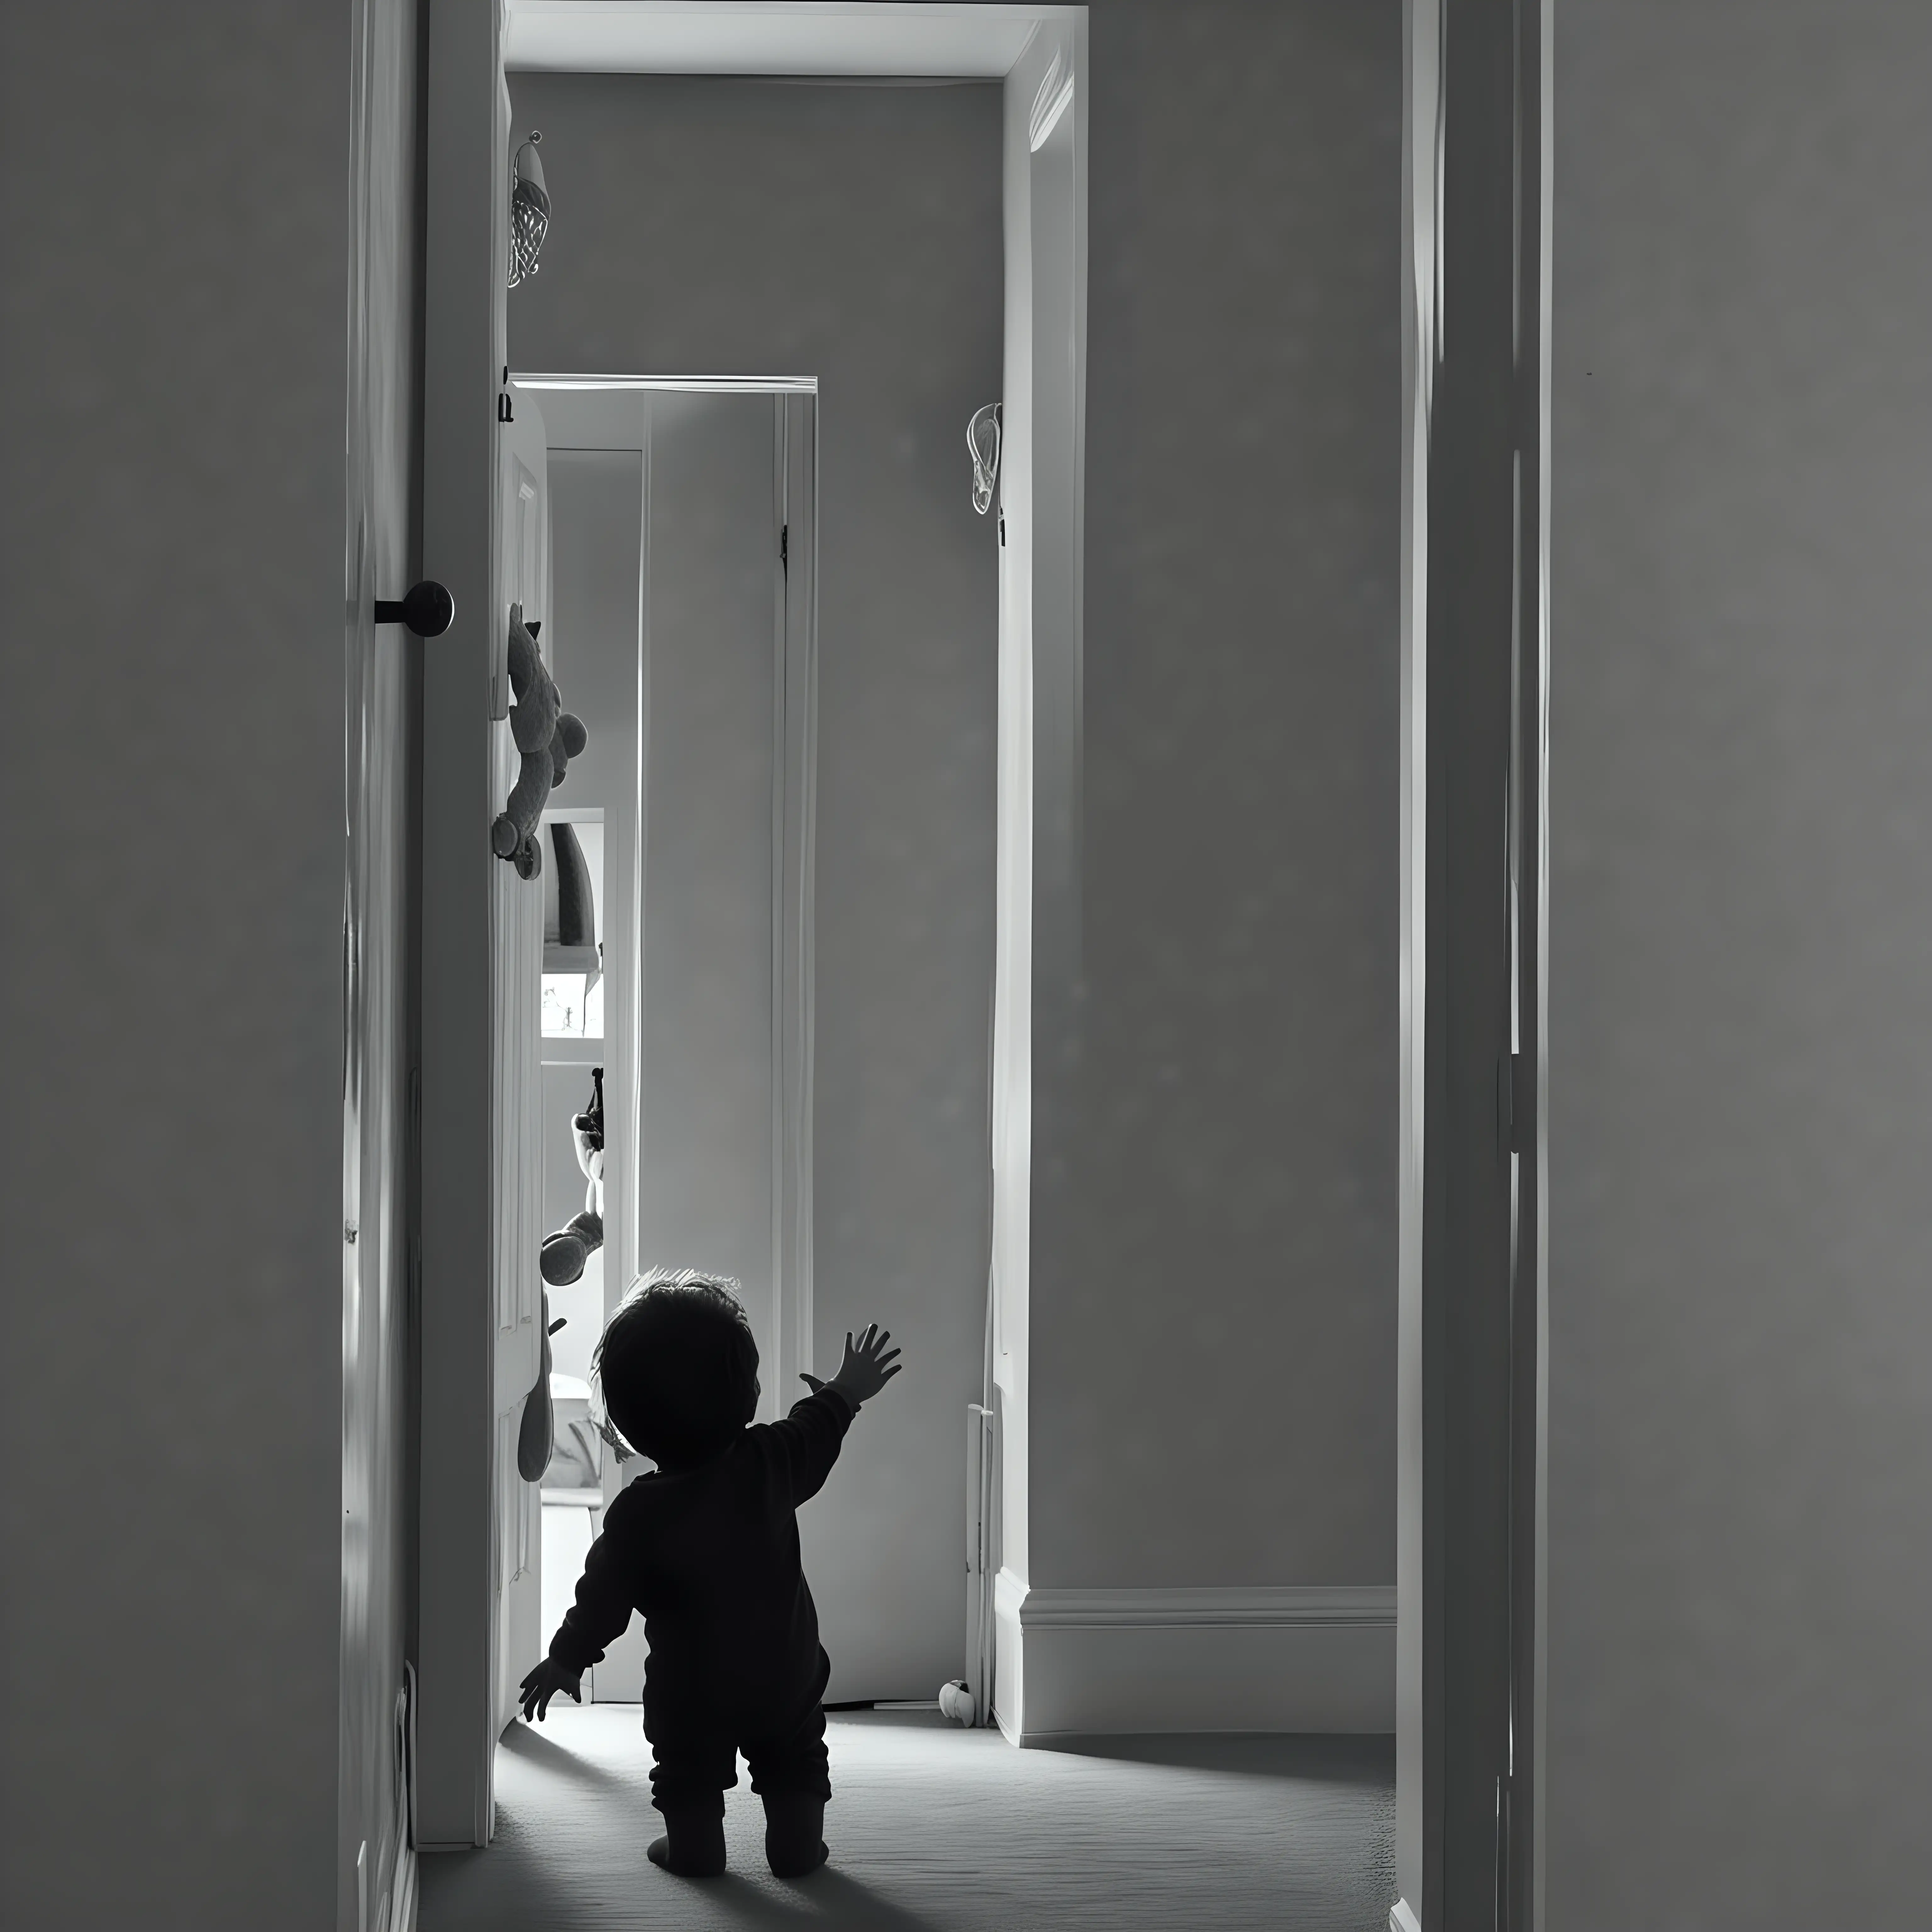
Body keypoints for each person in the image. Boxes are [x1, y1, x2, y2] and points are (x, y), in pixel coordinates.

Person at [518, 1269, 903, 1879]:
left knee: (687, 1768)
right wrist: (845, 1390)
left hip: (689, 1687)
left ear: (626, 1419)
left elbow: (603, 1599)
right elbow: (817, 1427)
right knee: (795, 1756)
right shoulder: (770, 1461)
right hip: (784, 1670)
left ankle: (696, 1850)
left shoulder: (637, 1514)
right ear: (746, 1399)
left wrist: (568, 1657)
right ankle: (797, 1848)